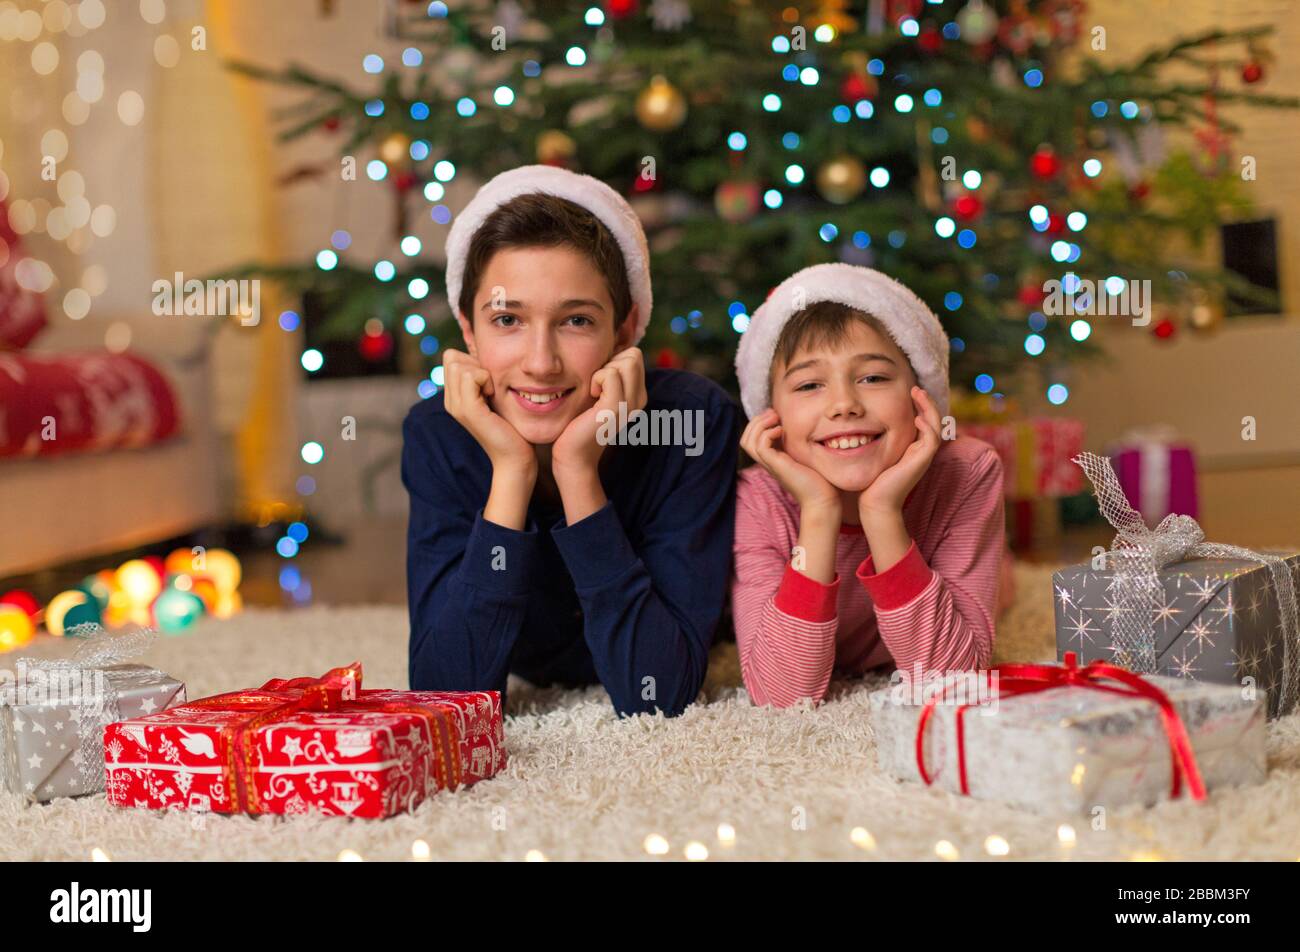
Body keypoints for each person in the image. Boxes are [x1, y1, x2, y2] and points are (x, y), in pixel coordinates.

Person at [403, 165, 740, 717]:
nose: (540, 363)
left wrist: (577, 473)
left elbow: (657, 693)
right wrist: (512, 472)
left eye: (576, 321)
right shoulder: (439, 435)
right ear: (468, 330)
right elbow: (447, 696)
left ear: (625, 332)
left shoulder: (690, 421)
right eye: (508, 319)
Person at [731, 263, 1005, 708]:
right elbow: (781, 696)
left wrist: (881, 514)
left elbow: (951, 682)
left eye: (873, 377)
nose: (843, 405)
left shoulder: (967, 473)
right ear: (770, 417)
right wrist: (818, 512)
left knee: (1002, 587)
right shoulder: (757, 499)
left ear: (923, 396)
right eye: (809, 384)